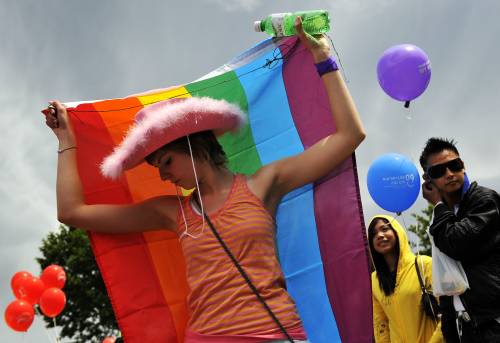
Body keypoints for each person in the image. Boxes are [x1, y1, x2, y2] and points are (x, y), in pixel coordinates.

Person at [43, 18, 365, 343]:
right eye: (156, 166)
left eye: (166, 161)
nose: (162, 174)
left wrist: (323, 57)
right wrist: (66, 140)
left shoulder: (264, 183)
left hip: (276, 333)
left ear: (194, 144)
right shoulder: (172, 212)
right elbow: (71, 212)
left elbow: (350, 136)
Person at [420, 137, 500, 343]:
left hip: (493, 323)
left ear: (462, 165)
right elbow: (447, 276)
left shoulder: (484, 200)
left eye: (454, 165)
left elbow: (456, 243)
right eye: (439, 171)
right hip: (466, 327)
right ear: (428, 180)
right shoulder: (441, 218)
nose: (449, 174)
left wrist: (437, 205)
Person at [368, 215, 443, 343]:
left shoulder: (424, 265)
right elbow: (381, 324)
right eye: (374, 234)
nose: (380, 235)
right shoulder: (374, 281)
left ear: (397, 232)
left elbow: (448, 311)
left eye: (385, 229)